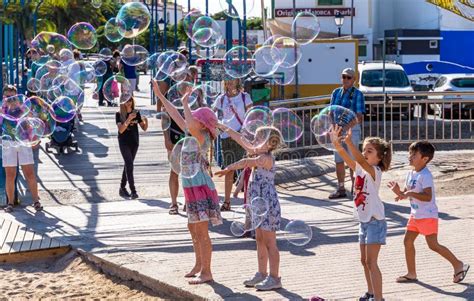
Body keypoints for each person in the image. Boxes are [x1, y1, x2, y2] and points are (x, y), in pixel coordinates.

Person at [152, 79, 222, 285]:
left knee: (201, 231)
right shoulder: (191, 132)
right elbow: (174, 114)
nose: (189, 119)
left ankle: (207, 272)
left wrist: (185, 102)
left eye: (194, 118)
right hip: (190, 186)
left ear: (202, 124)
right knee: (193, 228)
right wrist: (160, 96)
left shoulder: (202, 137)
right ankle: (198, 265)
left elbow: (186, 118)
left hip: (200, 187)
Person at [387, 141, 470, 284]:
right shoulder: (411, 173)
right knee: (407, 241)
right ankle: (411, 273)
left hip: (427, 216)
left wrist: (410, 193)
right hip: (415, 215)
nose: (410, 156)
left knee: (433, 245)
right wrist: (399, 192)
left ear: (425, 159)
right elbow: (407, 194)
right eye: (410, 153)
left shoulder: (425, 175)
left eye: (414, 154)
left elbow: (427, 196)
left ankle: (458, 264)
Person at [215, 125, 283, 291]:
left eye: (258, 139)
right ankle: (261, 273)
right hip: (258, 203)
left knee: (270, 242)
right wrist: (226, 128)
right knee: (259, 239)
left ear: (268, 144)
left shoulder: (266, 158)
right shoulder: (259, 152)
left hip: (267, 203)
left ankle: (275, 278)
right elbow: (242, 140)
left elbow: (246, 161)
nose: (253, 141)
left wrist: (229, 168)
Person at [330, 125, 392, 301]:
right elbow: (348, 159)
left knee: (372, 262)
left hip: (375, 221)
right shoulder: (360, 170)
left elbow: (361, 162)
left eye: (369, 151)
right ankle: (371, 292)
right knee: (364, 261)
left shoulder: (375, 171)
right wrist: (337, 143)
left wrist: (350, 142)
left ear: (380, 157)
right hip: (364, 222)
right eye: (364, 149)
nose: (365, 153)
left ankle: (379, 298)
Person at [2, 85, 42, 213]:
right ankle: (10, 202)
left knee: (29, 172)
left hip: (23, 141)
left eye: (13, 97)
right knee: (10, 174)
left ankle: (36, 201)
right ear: (4, 97)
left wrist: (20, 105)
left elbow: (32, 120)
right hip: (8, 142)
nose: (11, 100)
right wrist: (3, 108)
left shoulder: (23, 108)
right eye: (8, 97)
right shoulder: (2, 110)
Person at [213, 78, 252, 211]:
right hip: (225, 137)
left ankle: (249, 199)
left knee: (247, 168)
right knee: (229, 169)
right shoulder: (221, 99)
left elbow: (251, 115)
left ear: (237, 81)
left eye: (232, 80)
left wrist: (246, 129)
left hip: (241, 136)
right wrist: (217, 126)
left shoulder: (245, 97)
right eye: (227, 80)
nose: (229, 82)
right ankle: (227, 201)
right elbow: (213, 115)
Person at [329, 68, 365, 199]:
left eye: (348, 77)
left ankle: (356, 188)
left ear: (354, 80)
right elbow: (331, 111)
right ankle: (341, 188)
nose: (345, 79)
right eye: (343, 77)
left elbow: (359, 117)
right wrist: (334, 128)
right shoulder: (336, 92)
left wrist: (345, 128)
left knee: (352, 160)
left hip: (352, 130)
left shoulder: (358, 94)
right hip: (338, 130)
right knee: (338, 160)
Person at [116, 96, 148, 199]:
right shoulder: (119, 114)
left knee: (128, 165)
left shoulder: (136, 112)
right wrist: (129, 119)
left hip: (134, 142)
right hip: (124, 142)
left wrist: (145, 120)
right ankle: (133, 191)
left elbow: (144, 128)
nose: (128, 103)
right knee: (129, 165)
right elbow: (121, 130)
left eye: (130, 100)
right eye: (126, 101)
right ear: (122, 102)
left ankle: (122, 188)